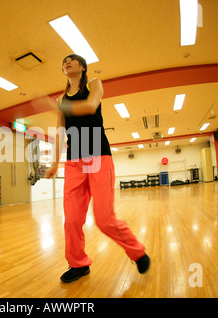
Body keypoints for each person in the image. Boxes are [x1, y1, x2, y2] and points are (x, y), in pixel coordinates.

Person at [42, 54, 150, 283]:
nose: (66, 62)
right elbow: (60, 132)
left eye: (71, 60)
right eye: (63, 61)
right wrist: (54, 164)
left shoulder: (93, 84)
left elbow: (91, 106)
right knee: (71, 220)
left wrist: (58, 107)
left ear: (82, 66)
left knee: (103, 219)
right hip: (73, 162)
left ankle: (137, 252)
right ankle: (78, 264)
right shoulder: (61, 99)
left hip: (99, 156)